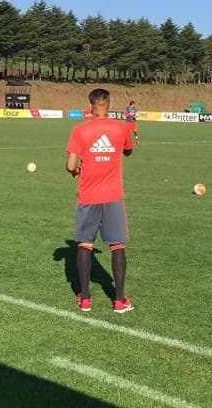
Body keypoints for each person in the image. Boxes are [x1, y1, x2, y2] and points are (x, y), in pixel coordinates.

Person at [66, 88, 135, 313]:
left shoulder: (79, 130)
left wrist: (77, 172)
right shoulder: (121, 127)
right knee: (117, 245)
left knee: (85, 244)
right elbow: (128, 151)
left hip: (88, 195)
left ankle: (85, 299)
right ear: (109, 105)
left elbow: (70, 165)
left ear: (90, 106)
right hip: (113, 195)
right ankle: (118, 300)